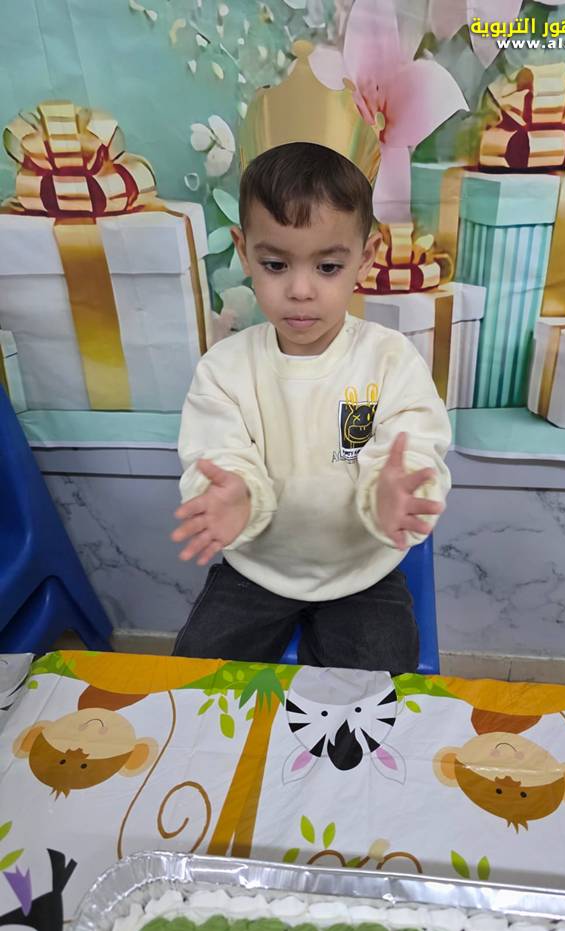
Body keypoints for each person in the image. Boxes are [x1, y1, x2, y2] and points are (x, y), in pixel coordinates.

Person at [171, 141, 451, 674]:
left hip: (362, 570)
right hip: (256, 568)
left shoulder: (389, 359)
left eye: (327, 266)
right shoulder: (225, 369)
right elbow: (215, 453)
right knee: (195, 677)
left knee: (381, 687)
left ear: (365, 259)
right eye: (275, 264)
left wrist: (395, 488)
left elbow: (416, 445)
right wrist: (231, 494)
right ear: (244, 252)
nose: (300, 290)